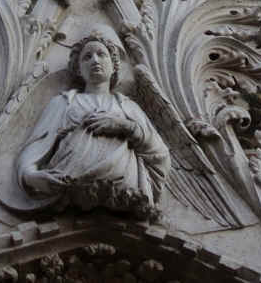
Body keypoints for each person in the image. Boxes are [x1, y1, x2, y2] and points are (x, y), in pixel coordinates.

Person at [16, 34, 169, 219]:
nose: (95, 60)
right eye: (87, 57)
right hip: (68, 189)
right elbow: (36, 146)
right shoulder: (64, 103)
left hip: (125, 194)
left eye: (101, 54)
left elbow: (159, 154)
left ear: (114, 65)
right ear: (78, 69)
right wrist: (30, 175)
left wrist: (126, 127)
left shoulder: (128, 107)